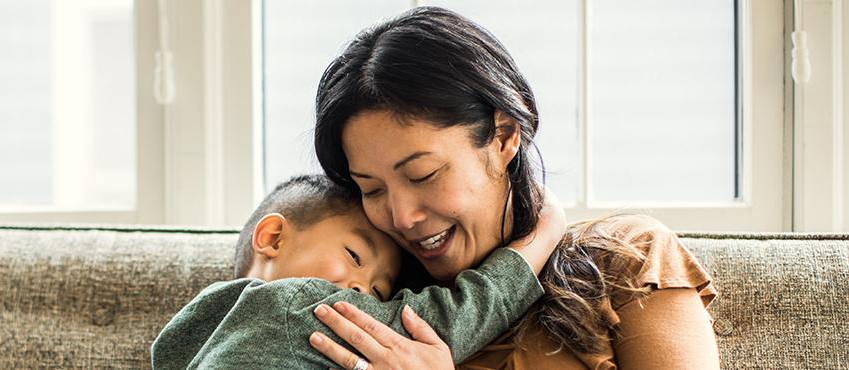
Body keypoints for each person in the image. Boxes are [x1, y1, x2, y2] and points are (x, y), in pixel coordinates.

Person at [309, 6, 720, 369]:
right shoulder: (368, 308)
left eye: (423, 175)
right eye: (372, 190)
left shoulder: (625, 261)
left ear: (504, 136)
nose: (402, 218)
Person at [150, 174, 565, 369]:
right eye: (354, 256)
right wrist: (543, 234)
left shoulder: (191, 332)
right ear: (273, 237)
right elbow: (447, 319)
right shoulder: (296, 304)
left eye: (380, 292)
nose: (361, 290)